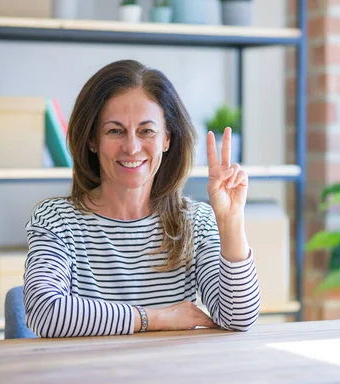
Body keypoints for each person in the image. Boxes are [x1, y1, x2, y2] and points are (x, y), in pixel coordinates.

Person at [23, 59, 261, 337]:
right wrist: (156, 318)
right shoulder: (56, 219)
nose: (132, 147)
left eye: (146, 131)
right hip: (88, 377)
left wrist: (231, 221)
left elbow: (239, 318)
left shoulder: (195, 221)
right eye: (115, 130)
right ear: (91, 141)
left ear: (167, 139)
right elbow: (45, 313)